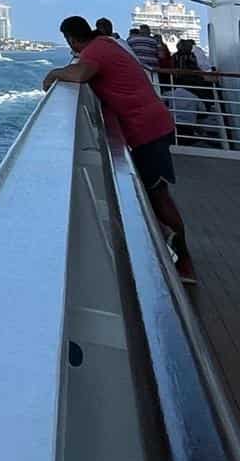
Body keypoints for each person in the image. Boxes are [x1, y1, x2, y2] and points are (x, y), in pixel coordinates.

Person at [44, 15, 196, 283]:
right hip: (150, 124)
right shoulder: (105, 43)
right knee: (152, 195)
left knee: (159, 196)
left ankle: (185, 262)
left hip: (148, 129)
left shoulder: (96, 51)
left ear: (70, 38)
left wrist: (54, 73)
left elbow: (81, 74)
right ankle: (168, 247)